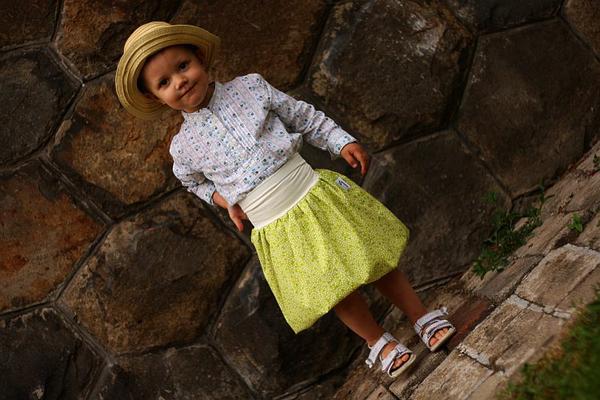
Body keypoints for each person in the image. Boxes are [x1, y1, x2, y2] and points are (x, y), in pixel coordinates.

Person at [115, 21, 456, 378]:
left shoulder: (250, 88)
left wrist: (340, 141)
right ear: (156, 98)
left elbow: (302, 116)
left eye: (183, 66)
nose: (180, 81)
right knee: (331, 288)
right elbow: (192, 182)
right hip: (276, 226)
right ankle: (378, 342)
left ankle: (421, 316)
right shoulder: (184, 149)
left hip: (311, 194)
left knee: (370, 257)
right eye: (164, 82)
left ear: (200, 57)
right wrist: (225, 200)